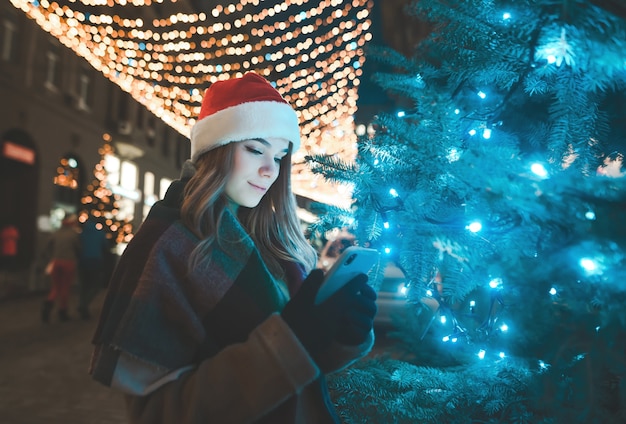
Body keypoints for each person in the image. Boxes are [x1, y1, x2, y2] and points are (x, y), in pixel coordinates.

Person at [89, 72, 377, 423]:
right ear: (217, 149)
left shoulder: (278, 245)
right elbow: (157, 413)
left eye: (281, 155)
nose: (270, 169)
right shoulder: (168, 244)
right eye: (255, 149)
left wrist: (342, 334)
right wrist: (293, 340)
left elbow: (303, 372)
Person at [42, 213, 81, 322]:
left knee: (55, 287)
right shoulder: (73, 234)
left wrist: (52, 257)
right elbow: (78, 248)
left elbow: (46, 247)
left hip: (56, 261)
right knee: (65, 287)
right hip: (68, 262)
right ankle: (62, 311)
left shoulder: (56, 233)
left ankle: (48, 305)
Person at [77, 216, 110, 320]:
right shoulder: (100, 234)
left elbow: (78, 247)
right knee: (96, 285)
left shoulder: (82, 234)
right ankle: (84, 305)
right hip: (95, 261)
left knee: (84, 285)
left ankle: (82, 304)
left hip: (83, 261)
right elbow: (105, 246)